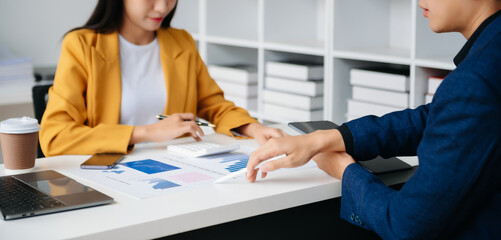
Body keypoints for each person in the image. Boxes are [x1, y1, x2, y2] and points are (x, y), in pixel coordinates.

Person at [246, 0, 501, 238]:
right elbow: (436, 117)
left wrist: (347, 173)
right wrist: (329, 138)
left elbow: (407, 224)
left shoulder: (475, 79)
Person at [40, 0, 285, 156]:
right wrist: (147, 132)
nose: (162, 7)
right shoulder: (82, 45)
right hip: (107, 172)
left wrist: (253, 128)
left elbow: (214, 106)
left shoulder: (181, 42)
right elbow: (55, 136)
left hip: (177, 170)